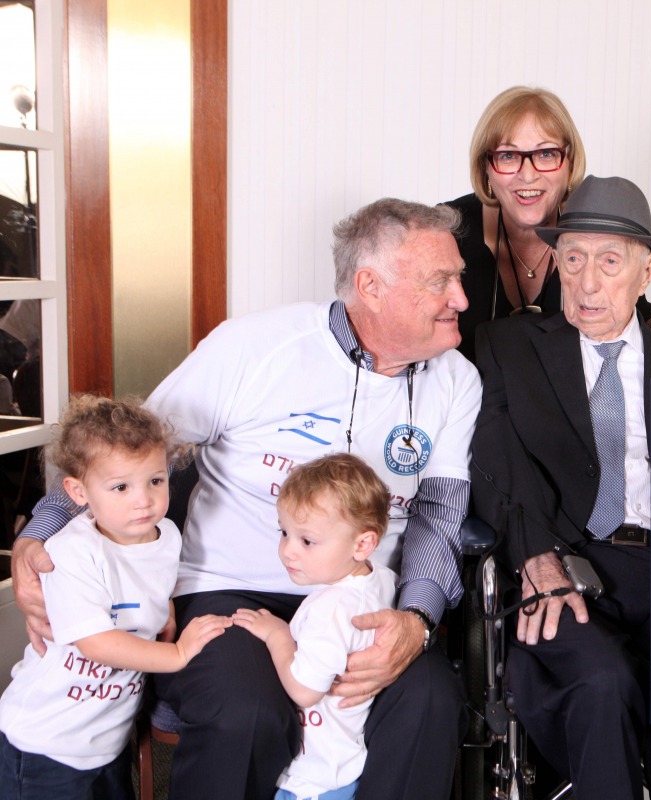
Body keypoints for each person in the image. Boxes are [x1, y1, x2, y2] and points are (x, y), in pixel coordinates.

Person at [11, 199, 482, 800]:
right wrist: (39, 534)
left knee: (430, 699)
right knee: (248, 711)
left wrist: (416, 621)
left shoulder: (456, 380)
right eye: (440, 282)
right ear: (372, 286)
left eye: (458, 278)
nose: (461, 298)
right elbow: (122, 450)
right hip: (231, 588)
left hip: (361, 596)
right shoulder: (254, 347)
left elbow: (440, 516)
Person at [470, 175, 651, 800]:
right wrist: (533, 554)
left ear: (647, 271)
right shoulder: (508, 348)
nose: (588, 282)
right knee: (600, 682)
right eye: (572, 259)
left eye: (610, 262)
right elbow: (493, 465)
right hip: (567, 563)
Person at [0, 395, 230, 799]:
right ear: (78, 491)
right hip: (45, 742)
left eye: (155, 481)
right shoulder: (71, 552)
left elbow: (154, 581)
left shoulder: (167, 536)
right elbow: (96, 643)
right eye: (121, 486)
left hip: (105, 736)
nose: (143, 500)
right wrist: (177, 655)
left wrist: (166, 608)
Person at [446, 85, 651, 368]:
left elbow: (625, 305)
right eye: (508, 156)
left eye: (546, 154)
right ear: (486, 168)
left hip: (558, 410)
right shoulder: (447, 231)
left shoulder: (587, 226)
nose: (527, 175)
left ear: (570, 162)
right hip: (462, 407)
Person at [233, 453, 399, 800]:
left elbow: (306, 691)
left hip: (311, 779)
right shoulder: (379, 579)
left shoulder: (331, 610)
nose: (288, 551)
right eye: (284, 533)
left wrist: (278, 635)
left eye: (306, 540)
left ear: (363, 544)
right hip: (343, 761)